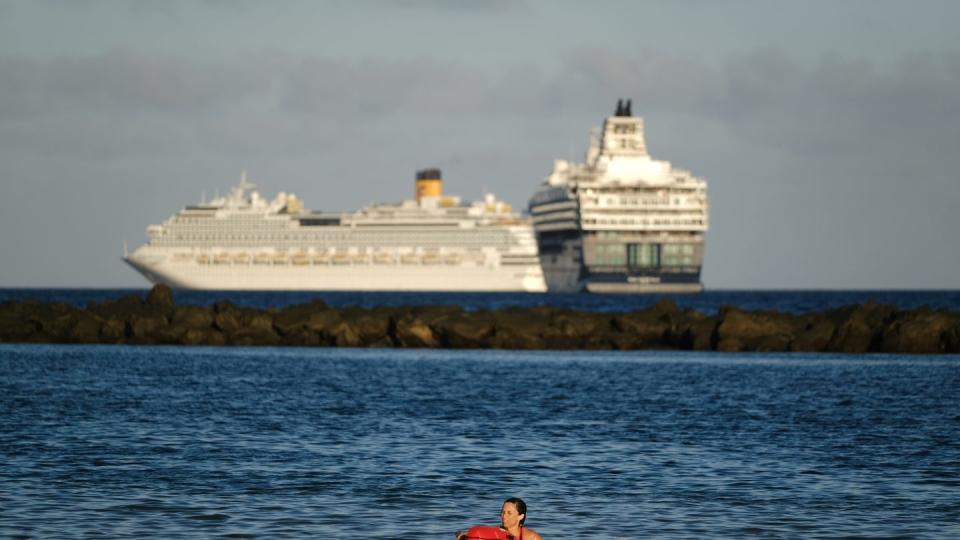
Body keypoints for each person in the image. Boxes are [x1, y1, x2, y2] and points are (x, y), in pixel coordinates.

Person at [457, 498, 542, 540]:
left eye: (509, 513)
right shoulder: (493, 535)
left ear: (521, 516)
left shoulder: (531, 537)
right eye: (503, 512)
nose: (504, 516)